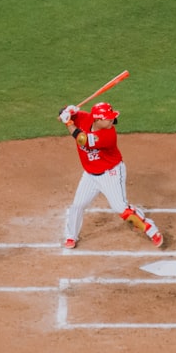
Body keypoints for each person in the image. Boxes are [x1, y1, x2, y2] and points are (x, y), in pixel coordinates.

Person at [57, 101, 163, 249]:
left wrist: (68, 121)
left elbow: (82, 139)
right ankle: (71, 236)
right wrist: (67, 111)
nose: (112, 120)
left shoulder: (109, 134)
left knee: (120, 208)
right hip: (90, 175)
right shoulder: (84, 118)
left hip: (111, 173)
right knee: (78, 205)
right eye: (108, 118)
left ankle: (150, 228)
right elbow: (63, 113)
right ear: (97, 119)